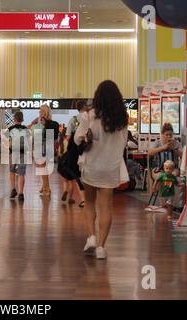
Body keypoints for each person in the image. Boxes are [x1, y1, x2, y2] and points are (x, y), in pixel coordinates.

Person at [74, 80, 129, 260]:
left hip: (91, 166)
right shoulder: (122, 118)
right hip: (111, 167)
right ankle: (101, 248)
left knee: (89, 203)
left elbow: (77, 140)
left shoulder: (89, 116)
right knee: (106, 208)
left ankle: (91, 237)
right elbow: (123, 143)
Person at [28, 104, 59, 197]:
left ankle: (47, 188)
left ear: (43, 112)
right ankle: (44, 186)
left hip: (40, 146)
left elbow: (29, 128)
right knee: (44, 168)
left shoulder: (39, 122)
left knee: (42, 168)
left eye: (40, 110)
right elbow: (55, 139)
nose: (39, 112)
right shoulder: (54, 124)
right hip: (49, 147)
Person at [4, 111, 29, 201]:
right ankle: (21, 193)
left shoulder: (10, 129)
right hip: (23, 152)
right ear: (22, 119)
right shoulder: (25, 129)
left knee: (12, 171)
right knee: (21, 173)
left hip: (13, 152)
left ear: (14, 119)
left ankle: (13, 189)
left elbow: (5, 138)